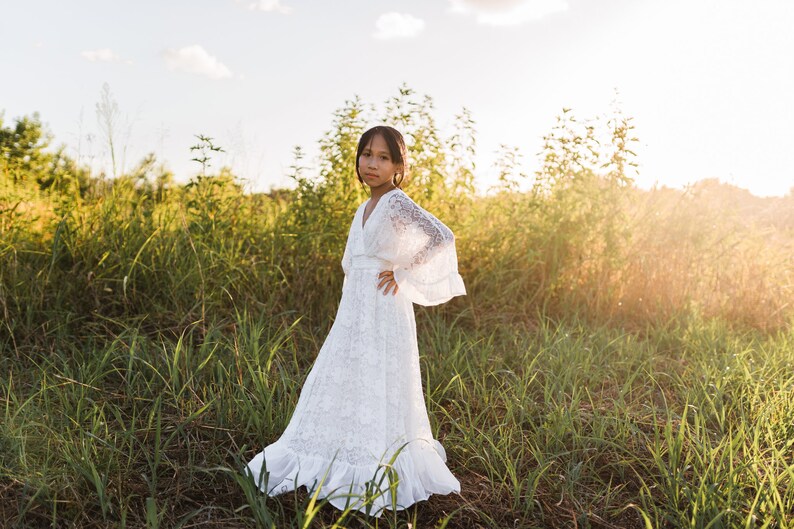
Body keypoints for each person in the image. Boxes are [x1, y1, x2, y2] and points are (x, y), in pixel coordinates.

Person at [244, 125, 466, 517]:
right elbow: (352, 263)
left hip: (384, 306)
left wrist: (401, 272)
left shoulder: (397, 203)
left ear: (398, 165)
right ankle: (333, 446)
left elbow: (441, 236)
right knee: (344, 372)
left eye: (383, 157)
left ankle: (374, 458)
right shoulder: (362, 208)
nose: (372, 164)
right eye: (367, 155)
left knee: (379, 374)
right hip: (356, 306)